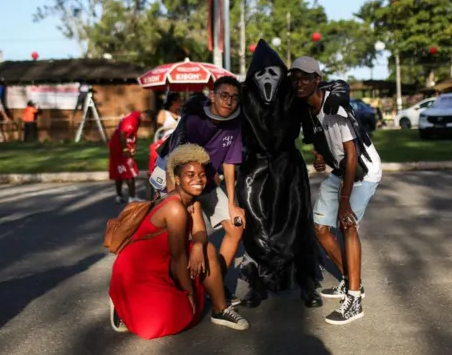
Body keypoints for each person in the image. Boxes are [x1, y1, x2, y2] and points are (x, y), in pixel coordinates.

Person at [109, 144, 250, 339]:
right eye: (190, 175)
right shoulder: (175, 209)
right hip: (138, 269)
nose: (198, 180)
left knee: (207, 249)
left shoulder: (193, 201)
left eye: (201, 174)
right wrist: (189, 293)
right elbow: (178, 257)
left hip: (164, 264)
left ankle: (221, 309)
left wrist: (199, 245)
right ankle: (121, 301)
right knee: (159, 325)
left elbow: (200, 231)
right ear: (177, 179)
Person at [292, 56, 383, 325]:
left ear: (317, 80)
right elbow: (320, 137)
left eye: (306, 78)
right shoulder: (306, 108)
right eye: (295, 78)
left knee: (347, 225)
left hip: (362, 171)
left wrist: (344, 201)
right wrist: (321, 155)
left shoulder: (335, 106)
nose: (299, 83)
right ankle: (351, 280)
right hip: (342, 170)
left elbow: (352, 154)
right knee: (320, 227)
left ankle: (354, 300)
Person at [237, 40, 322, 309]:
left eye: (273, 72)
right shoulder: (243, 96)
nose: (267, 78)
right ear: (253, 76)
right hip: (254, 170)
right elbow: (219, 115)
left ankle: (307, 282)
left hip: (288, 168)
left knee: (297, 224)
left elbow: (312, 129)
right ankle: (258, 282)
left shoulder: (292, 97)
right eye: (261, 73)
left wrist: (322, 152)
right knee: (256, 226)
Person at [156, 76, 245, 306]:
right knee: (181, 239)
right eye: (224, 95)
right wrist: (182, 202)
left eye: (234, 98)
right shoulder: (194, 118)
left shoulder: (235, 122)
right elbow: (176, 161)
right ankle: (173, 288)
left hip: (207, 182)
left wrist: (233, 203)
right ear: (213, 96)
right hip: (178, 181)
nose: (229, 102)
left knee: (237, 227)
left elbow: (230, 164)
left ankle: (214, 282)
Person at [109, 109, 156, 204]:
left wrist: (133, 147)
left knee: (119, 172)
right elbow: (123, 134)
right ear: (145, 116)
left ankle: (119, 195)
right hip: (120, 148)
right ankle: (132, 196)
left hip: (115, 147)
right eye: (147, 123)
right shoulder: (132, 120)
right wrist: (125, 149)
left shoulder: (136, 115)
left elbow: (130, 135)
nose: (145, 125)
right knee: (131, 172)